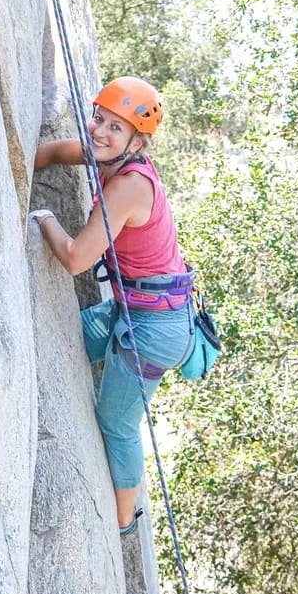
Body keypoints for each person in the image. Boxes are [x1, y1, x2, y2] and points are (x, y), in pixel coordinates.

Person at [29, 76, 194, 535]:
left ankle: (125, 522)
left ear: (137, 143)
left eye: (114, 128)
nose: (99, 132)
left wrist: (44, 218)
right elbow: (58, 153)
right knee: (66, 339)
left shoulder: (130, 186)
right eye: (98, 119)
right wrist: (14, 161)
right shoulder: (110, 153)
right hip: (137, 310)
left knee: (116, 421)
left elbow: (76, 259)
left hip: (157, 329)